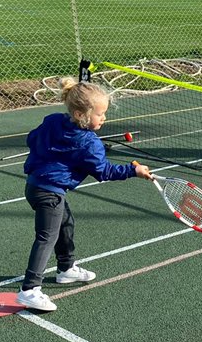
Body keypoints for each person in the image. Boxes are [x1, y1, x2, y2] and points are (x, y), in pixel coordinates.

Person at [16, 78, 152, 312]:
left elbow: (32, 138)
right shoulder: (89, 144)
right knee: (46, 237)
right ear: (81, 115)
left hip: (35, 186)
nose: (104, 118)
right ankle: (29, 289)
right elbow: (104, 171)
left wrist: (59, 152)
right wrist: (134, 171)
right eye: (100, 114)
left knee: (65, 223)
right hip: (50, 192)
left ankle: (66, 269)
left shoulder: (53, 121)